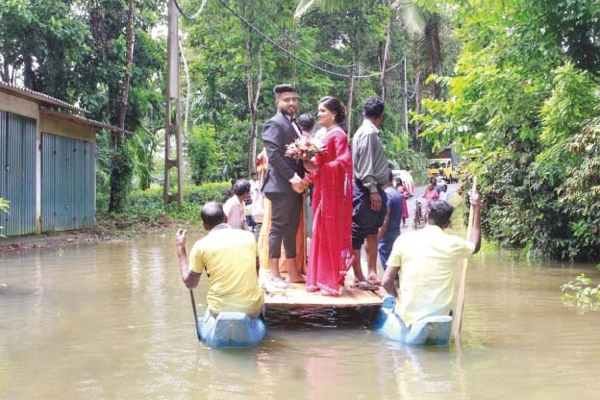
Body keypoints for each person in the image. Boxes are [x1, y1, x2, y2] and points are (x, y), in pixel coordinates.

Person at [381, 194, 481, 328]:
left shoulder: (404, 240)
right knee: (449, 311)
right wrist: (477, 209)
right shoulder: (454, 243)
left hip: (407, 315)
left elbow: (386, 282)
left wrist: (396, 298)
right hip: (441, 315)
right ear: (447, 224)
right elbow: (475, 245)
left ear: (425, 216)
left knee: (390, 302)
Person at [174, 201, 264, 320]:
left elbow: (191, 283)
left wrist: (181, 249)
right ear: (226, 218)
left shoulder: (200, 246)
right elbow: (257, 271)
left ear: (205, 226)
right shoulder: (249, 237)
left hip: (219, 310)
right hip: (251, 309)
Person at [302, 96, 353, 295]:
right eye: (318, 110)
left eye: (323, 111)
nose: (319, 114)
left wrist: (319, 167)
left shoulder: (338, 135)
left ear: (333, 114)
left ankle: (331, 280)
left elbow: (344, 162)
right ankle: (321, 279)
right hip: (323, 189)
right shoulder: (324, 134)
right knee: (320, 231)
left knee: (330, 232)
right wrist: (309, 169)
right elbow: (319, 163)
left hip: (332, 192)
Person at [261, 84, 306, 286]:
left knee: (292, 228)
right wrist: (295, 180)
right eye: (287, 100)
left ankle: (293, 271)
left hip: (295, 187)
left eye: (294, 99)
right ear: (277, 102)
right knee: (278, 229)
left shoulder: (293, 124)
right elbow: (274, 157)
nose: (291, 103)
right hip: (280, 186)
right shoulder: (274, 124)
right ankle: (274, 274)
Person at [351, 96, 390, 288]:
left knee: (372, 232)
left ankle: (372, 272)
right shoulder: (368, 133)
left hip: (373, 189)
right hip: (366, 190)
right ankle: (359, 276)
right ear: (380, 116)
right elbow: (365, 166)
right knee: (357, 234)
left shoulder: (369, 132)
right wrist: (373, 191)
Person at [378, 172, 403, 271]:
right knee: (395, 269)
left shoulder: (387, 194)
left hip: (387, 236)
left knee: (389, 270)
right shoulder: (395, 192)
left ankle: (393, 286)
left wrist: (377, 239)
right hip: (395, 233)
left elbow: (385, 221)